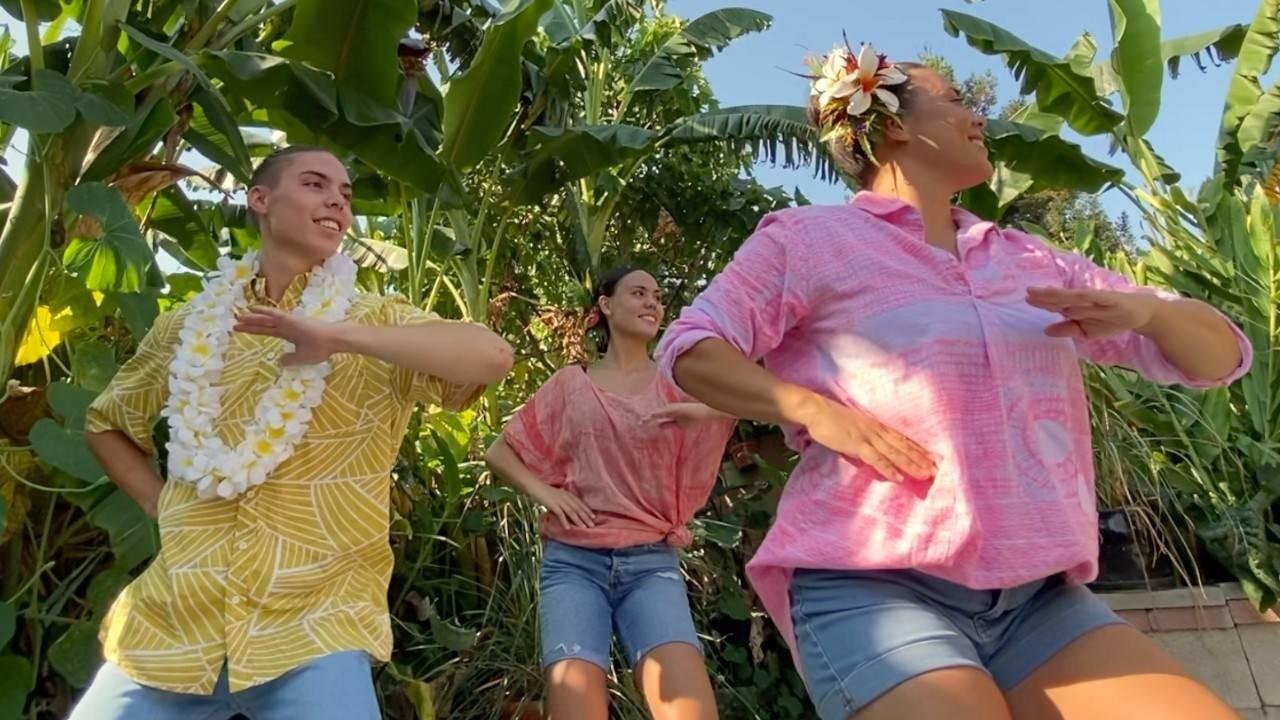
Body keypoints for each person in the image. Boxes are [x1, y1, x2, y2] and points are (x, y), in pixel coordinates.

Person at [655, 43, 1253, 720]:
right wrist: (813, 410)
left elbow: (1220, 358)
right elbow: (691, 346)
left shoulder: (1030, 259)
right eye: (957, 100)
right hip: (872, 585)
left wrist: (1149, 312)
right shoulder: (807, 240)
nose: (978, 116)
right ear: (895, 125)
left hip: (1038, 601)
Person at [69, 146, 514, 720]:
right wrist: (163, 505)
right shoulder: (187, 324)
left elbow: (491, 357)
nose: (337, 200)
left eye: (345, 193)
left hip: (315, 624)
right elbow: (107, 423)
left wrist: (338, 338)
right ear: (260, 199)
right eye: (315, 183)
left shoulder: (378, 319)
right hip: (174, 621)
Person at [485, 267, 736, 720]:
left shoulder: (678, 382)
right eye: (638, 293)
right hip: (573, 565)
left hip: (651, 563)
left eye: (657, 296)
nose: (652, 303)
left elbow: (760, 401)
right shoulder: (570, 384)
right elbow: (500, 451)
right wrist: (548, 495)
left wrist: (703, 411)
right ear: (605, 305)